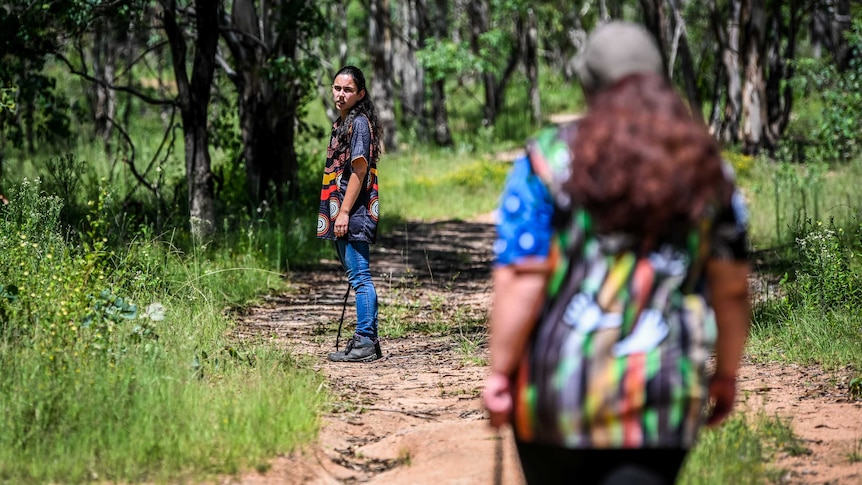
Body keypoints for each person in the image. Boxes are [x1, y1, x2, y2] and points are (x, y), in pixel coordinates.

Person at [482, 22, 751, 484]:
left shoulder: (545, 160)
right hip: (661, 398)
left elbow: (522, 276)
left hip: (556, 397)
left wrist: (500, 373)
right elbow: (731, 290)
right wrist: (725, 373)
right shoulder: (707, 168)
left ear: (588, 86)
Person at [317, 65, 384, 363]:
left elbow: (359, 170)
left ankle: (366, 340)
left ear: (361, 94)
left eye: (348, 90)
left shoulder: (358, 124)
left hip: (353, 211)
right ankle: (365, 339)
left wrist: (343, 213)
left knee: (360, 277)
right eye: (337, 88)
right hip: (344, 210)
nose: (341, 94)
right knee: (356, 275)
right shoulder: (343, 123)